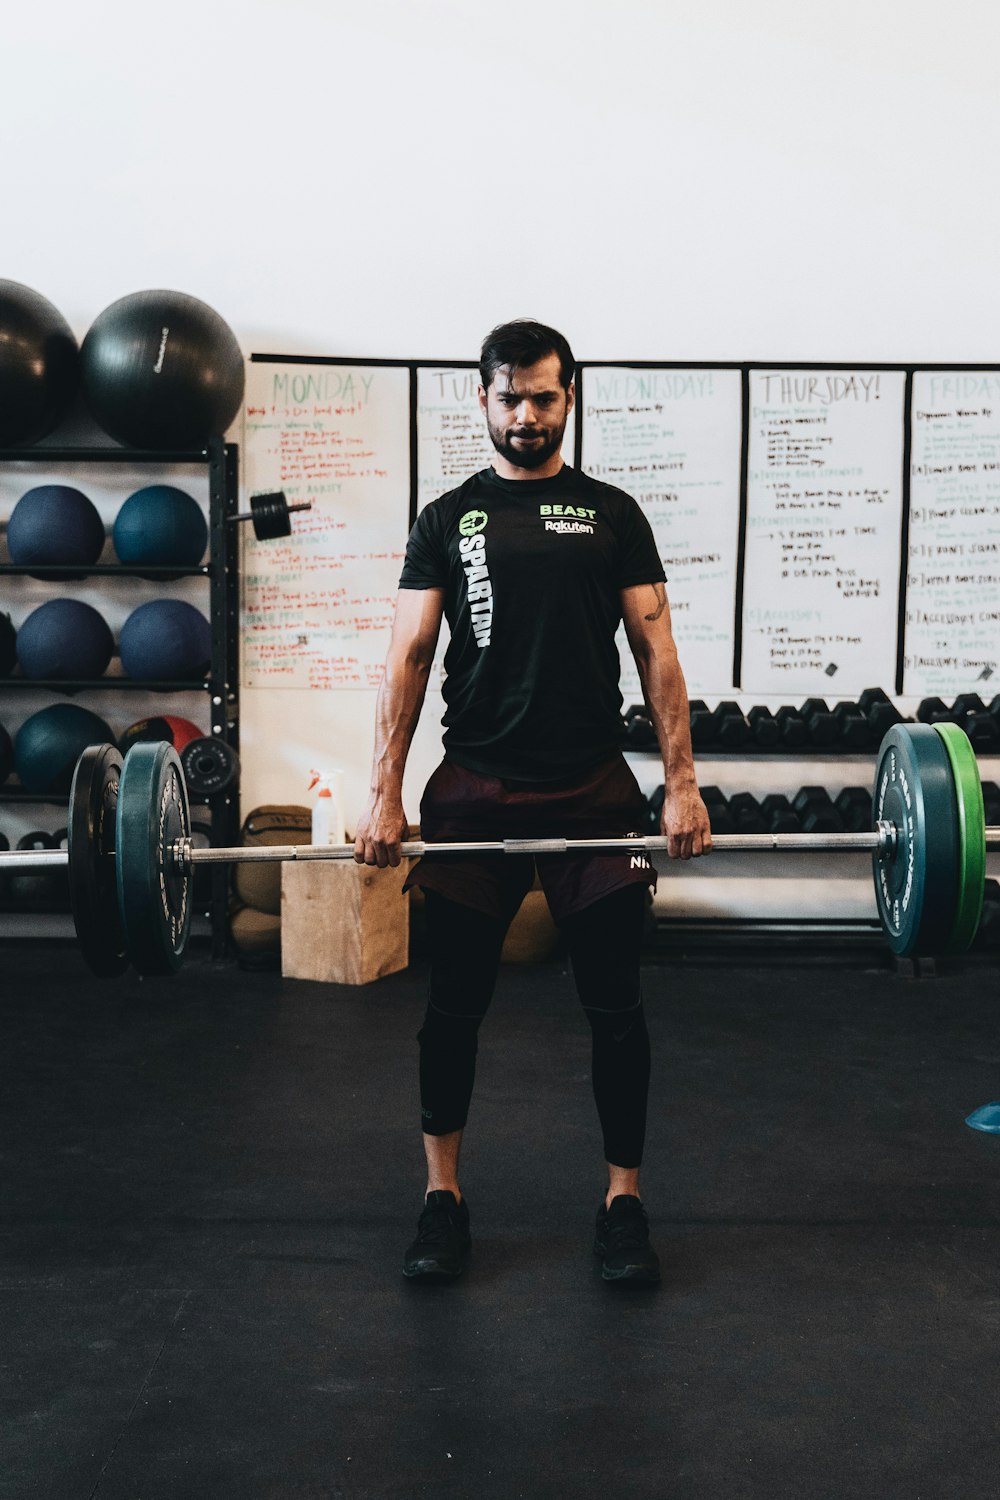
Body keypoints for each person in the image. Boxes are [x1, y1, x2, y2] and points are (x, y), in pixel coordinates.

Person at [354, 318, 711, 1285]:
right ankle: (442, 1200)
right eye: (508, 396)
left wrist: (681, 784)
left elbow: (658, 652)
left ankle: (623, 1204)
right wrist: (384, 794)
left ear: (569, 399)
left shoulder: (612, 514)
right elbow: (410, 659)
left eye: (543, 396)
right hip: (474, 789)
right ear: (482, 399)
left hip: (594, 788)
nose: (525, 414)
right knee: (452, 1008)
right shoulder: (447, 521)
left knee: (617, 1008)